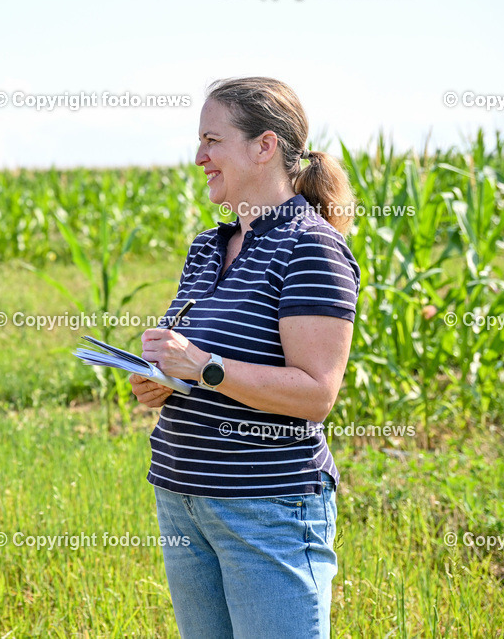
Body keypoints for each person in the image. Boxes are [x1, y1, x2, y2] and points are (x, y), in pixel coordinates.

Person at [130, 77, 360, 638]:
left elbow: (317, 393)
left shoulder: (310, 246)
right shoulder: (209, 245)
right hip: (182, 496)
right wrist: (160, 377)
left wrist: (204, 368)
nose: (199, 156)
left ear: (265, 146)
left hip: (266, 508)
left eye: (212, 140)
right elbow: (194, 361)